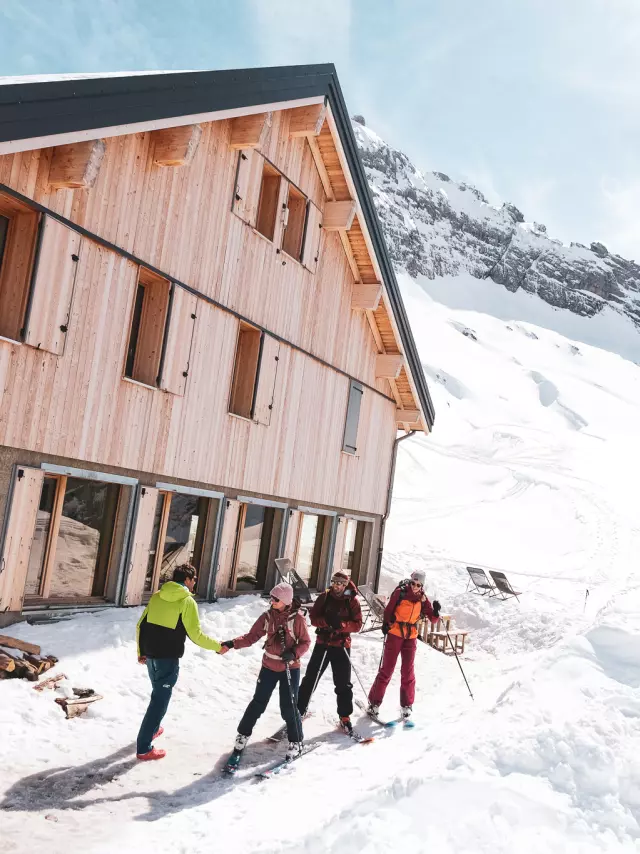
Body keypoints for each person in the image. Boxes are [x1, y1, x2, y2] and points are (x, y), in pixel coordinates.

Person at [136, 563, 222, 760]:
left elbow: (141, 624)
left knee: (158, 695)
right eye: (194, 580)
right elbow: (196, 635)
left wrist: (141, 651)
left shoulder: (157, 595)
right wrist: (218, 647)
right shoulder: (186, 601)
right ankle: (143, 748)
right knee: (159, 701)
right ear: (187, 580)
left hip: (151, 655)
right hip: (167, 658)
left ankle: (153, 729)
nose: (194, 585)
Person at [219, 581, 310, 760]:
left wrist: (293, 652)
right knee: (258, 703)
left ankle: (296, 741)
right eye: (271, 598)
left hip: (289, 668)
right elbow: (251, 636)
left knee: (288, 707)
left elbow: (306, 642)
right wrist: (231, 644)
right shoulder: (268, 617)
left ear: (285, 600)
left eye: (275, 599)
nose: (272, 602)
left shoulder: (297, 619)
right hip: (269, 665)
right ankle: (242, 735)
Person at [367, 570, 440, 722]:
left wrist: (436, 611)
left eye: (418, 585)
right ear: (410, 581)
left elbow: (432, 619)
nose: (414, 587)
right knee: (387, 670)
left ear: (422, 586)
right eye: (413, 583)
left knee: (408, 672)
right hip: (395, 634)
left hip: (410, 636)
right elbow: (388, 611)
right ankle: (374, 703)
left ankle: (407, 705)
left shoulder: (423, 598)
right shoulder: (400, 593)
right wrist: (386, 625)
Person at [297, 570, 362, 733]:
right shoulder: (324, 597)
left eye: (340, 583)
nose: (337, 586)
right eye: (334, 582)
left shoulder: (352, 601)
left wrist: (341, 625)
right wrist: (326, 621)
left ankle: (345, 716)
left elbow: (357, 624)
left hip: (341, 644)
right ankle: (299, 709)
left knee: (343, 683)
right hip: (324, 642)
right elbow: (313, 618)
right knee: (311, 677)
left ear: (345, 584)